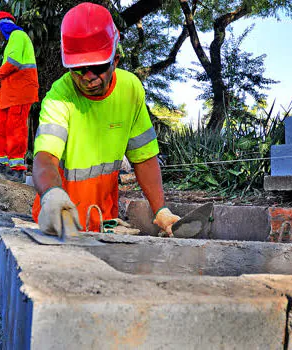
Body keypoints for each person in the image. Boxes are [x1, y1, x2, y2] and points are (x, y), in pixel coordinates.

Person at [31, 2, 180, 236]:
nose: (88, 78)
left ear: (116, 60)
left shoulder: (130, 89)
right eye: (79, 68)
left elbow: (144, 157)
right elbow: (45, 158)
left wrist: (161, 210)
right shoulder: (59, 97)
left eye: (98, 67)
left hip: (103, 219)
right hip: (59, 221)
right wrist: (52, 197)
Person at [0, 11, 39, 182]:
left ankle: (17, 170)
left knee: (15, 129)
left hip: (20, 91)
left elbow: (13, 63)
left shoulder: (18, 35)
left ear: (1, 26)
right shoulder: (13, 40)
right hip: (9, 93)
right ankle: (0, 167)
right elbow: (11, 67)